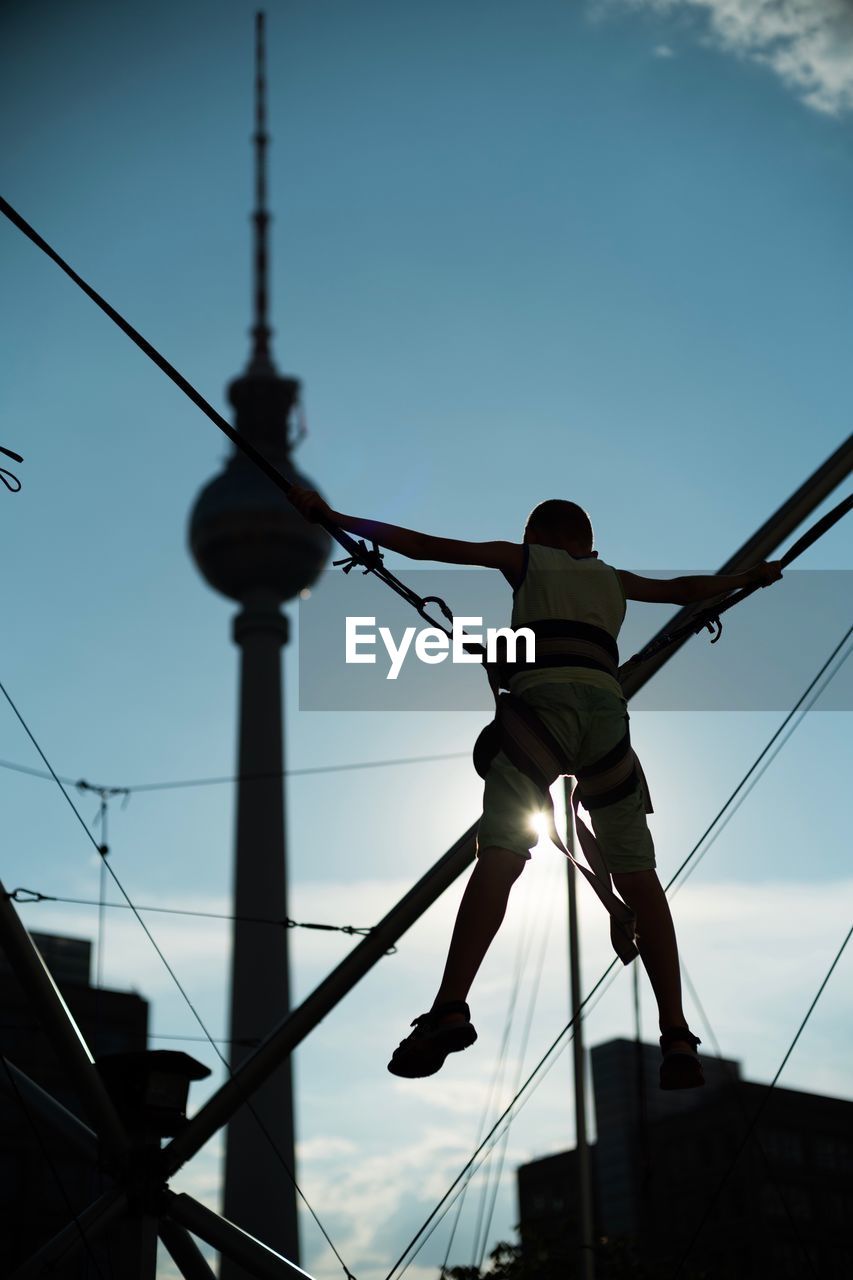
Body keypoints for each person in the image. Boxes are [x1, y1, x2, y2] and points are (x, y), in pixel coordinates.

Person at [289, 487, 782, 1090]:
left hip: (538, 716)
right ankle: (676, 1032)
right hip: (607, 724)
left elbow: (429, 547)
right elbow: (684, 590)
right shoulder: (613, 578)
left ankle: (451, 1004)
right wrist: (750, 578)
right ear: (588, 543)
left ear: (539, 540)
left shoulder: (526, 560)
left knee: (498, 857)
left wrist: (334, 517)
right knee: (641, 880)